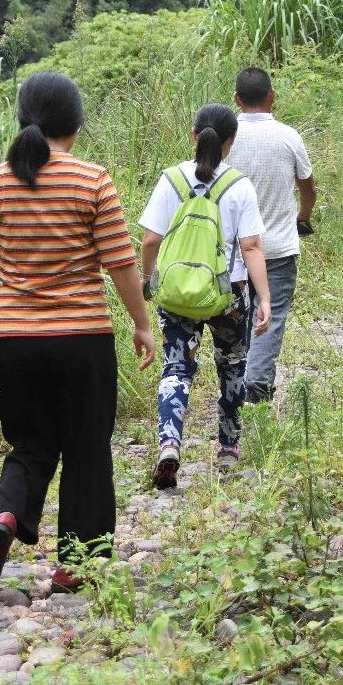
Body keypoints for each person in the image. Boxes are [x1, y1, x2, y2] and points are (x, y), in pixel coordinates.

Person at [0, 71, 156, 592]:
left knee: (29, 443)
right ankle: (77, 564)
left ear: (22, 118)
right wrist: (141, 323)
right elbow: (120, 262)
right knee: (86, 449)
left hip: (17, 340)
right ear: (76, 123)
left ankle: (9, 514)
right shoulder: (92, 180)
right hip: (83, 339)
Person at [139, 104, 272, 487]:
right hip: (229, 293)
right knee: (232, 366)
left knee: (176, 368)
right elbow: (250, 247)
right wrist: (264, 298)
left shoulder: (170, 180)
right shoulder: (239, 185)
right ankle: (228, 448)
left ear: (194, 136)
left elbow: (150, 240)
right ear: (231, 142)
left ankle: (169, 441)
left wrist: (148, 280)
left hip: (177, 293)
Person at [225, 67, 317, 403]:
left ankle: (235, 383)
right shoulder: (289, 137)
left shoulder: (226, 137)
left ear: (236, 99)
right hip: (276, 247)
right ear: (272, 96)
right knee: (270, 315)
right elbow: (308, 189)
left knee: (237, 317)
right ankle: (257, 386)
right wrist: (303, 217)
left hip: (232, 250)